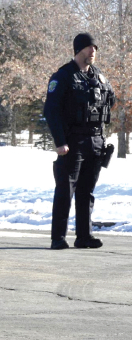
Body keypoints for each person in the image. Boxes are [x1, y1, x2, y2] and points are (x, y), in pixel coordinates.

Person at [43, 33, 115, 250]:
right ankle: (58, 238)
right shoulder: (63, 76)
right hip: (72, 141)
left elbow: (110, 99)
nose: (93, 51)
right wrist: (60, 141)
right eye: (89, 47)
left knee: (87, 191)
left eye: (95, 48)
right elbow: (51, 111)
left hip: (95, 140)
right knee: (66, 189)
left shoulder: (98, 76)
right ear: (78, 50)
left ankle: (84, 236)